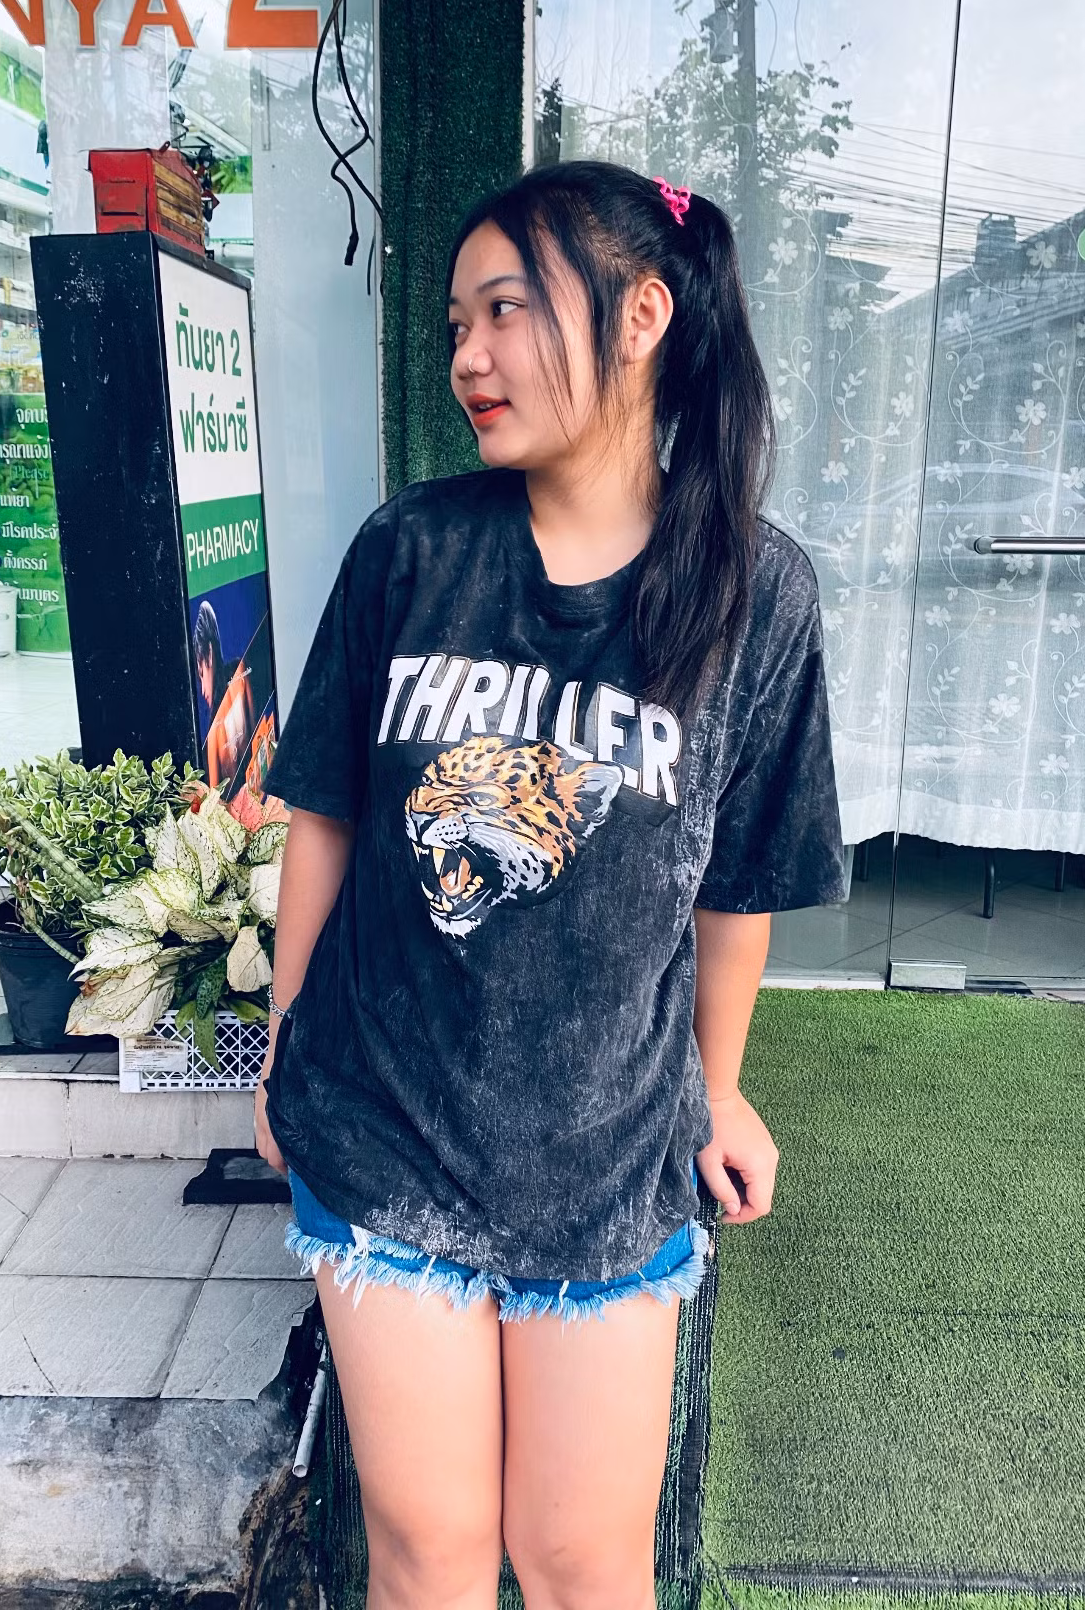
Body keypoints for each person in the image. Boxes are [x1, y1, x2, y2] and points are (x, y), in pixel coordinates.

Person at [258, 159, 847, 1608]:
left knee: (581, 1558)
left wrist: (719, 1088)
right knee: (430, 1552)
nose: (469, 355)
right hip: (386, 1114)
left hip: (606, 1147)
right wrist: (283, 1046)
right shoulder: (411, 549)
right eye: (457, 322)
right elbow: (326, 813)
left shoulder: (755, 592)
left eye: (507, 311)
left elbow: (734, 883)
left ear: (642, 315)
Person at [192, 598, 256, 791]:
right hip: (258, 788)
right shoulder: (241, 671)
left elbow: (213, 800)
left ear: (209, 654)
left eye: (201, 674)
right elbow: (256, 734)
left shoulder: (213, 731)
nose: (202, 689)